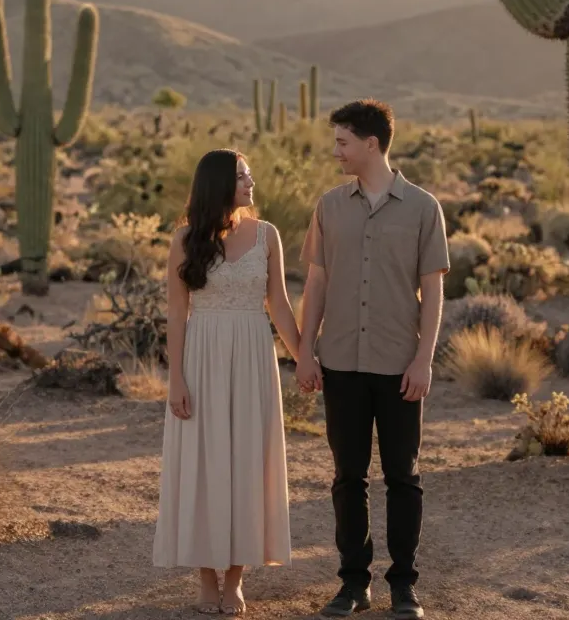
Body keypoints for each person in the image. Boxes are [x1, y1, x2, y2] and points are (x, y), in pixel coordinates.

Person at [296, 99, 449, 620]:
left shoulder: (424, 208)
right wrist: (304, 351)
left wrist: (424, 360)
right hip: (340, 361)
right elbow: (315, 283)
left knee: (403, 477)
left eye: (342, 142)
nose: (335, 151)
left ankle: (404, 587)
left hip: (399, 364)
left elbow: (433, 292)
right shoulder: (328, 206)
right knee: (348, 478)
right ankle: (353, 584)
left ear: (371, 144)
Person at [154, 148, 302, 615]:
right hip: (202, 355)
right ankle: (204, 578)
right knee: (201, 461)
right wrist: (175, 378)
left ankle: (236, 578)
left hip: (253, 356)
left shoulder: (268, 235)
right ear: (218, 183)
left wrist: (304, 359)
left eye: (250, 174)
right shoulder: (184, 239)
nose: (250, 182)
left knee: (246, 462)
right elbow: (177, 314)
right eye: (241, 175)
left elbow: (278, 304)